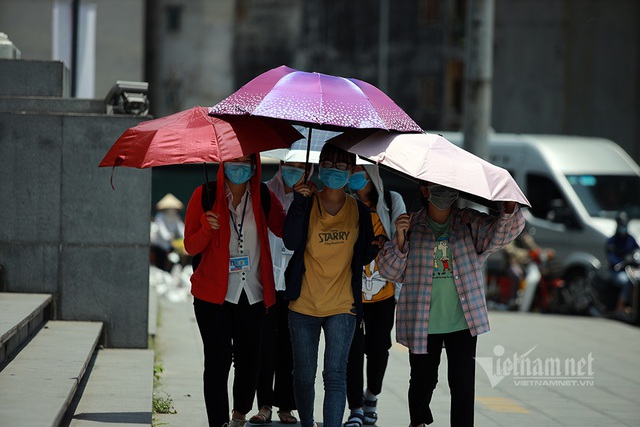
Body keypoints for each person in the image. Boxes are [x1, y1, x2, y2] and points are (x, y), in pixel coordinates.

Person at [378, 181, 525, 427]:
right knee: (423, 381)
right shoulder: (411, 224)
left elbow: (501, 236)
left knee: (463, 384)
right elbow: (390, 271)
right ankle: (418, 422)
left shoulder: (468, 221)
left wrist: (509, 205)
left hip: (463, 319)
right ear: (425, 190)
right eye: (437, 188)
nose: (444, 193)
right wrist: (401, 238)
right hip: (423, 321)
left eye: (448, 187)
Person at [283, 143, 382, 427]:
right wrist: (298, 203)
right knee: (303, 375)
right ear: (318, 167)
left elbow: (361, 255)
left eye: (341, 167)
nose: (334, 171)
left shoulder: (359, 211)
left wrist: (377, 247)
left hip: (342, 306)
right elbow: (290, 241)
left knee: (335, 375)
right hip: (303, 304)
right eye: (328, 164)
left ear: (351, 171)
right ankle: (307, 423)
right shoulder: (305, 201)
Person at [183, 154, 286, 427]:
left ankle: (239, 412)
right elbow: (190, 246)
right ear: (223, 162)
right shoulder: (203, 195)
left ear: (254, 165)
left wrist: (303, 202)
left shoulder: (262, 196)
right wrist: (206, 226)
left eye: (245, 160)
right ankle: (218, 422)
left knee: (250, 359)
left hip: (252, 291)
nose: (239, 166)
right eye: (233, 159)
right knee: (217, 362)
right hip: (213, 295)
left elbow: (286, 229)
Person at [248, 160, 315, 425]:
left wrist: (303, 201)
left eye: (302, 166)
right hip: (265, 281)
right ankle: (263, 403)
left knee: (291, 348)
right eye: (291, 164)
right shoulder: (264, 192)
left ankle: (286, 406)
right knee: (265, 347)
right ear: (282, 164)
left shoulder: (313, 199)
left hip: (296, 284)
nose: (294, 170)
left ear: (309, 170)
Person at [343, 164, 406, 427]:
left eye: (362, 172)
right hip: (350, 292)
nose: (357, 177)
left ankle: (372, 396)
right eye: (353, 172)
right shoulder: (344, 202)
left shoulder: (392, 201)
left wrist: (400, 234)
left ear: (373, 176)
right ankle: (355, 407)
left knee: (379, 349)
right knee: (352, 351)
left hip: (384, 293)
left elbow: (404, 248)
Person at [605, 211, 639, 314]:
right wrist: (621, 262)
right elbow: (611, 257)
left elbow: (637, 250)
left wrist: (634, 259)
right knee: (627, 282)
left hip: (631, 269)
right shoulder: (612, 241)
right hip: (617, 271)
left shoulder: (631, 239)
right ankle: (620, 306)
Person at [151, 193, 186, 271]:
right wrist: (171, 238)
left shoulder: (176, 217)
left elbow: (182, 231)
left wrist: (185, 239)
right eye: (170, 209)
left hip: (171, 246)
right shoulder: (160, 217)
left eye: (173, 209)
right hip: (160, 247)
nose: (172, 211)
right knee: (161, 265)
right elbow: (164, 234)